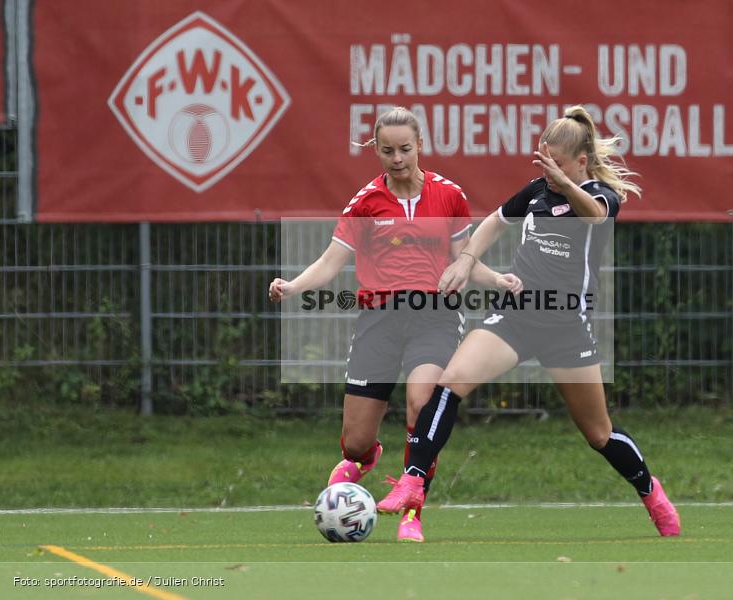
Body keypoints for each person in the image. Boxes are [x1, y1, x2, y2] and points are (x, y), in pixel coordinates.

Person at [377, 105, 681, 537]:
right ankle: (413, 484)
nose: (550, 172)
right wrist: (466, 258)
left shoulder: (600, 196)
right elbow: (494, 223)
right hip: (517, 315)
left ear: (581, 162)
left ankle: (651, 492)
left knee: (599, 434)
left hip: (565, 326)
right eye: (545, 161)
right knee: (448, 385)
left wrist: (563, 183)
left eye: (558, 164)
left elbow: (594, 214)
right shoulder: (538, 190)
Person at [268, 107, 520, 542]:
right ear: (377, 151)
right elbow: (331, 262)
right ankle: (367, 459)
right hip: (379, 320)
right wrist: (292, 287)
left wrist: (497, 279)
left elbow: (465, 259)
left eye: (405, 149)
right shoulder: (365, 202)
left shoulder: (448, 195)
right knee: (354, 442)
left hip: (435, 317)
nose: (398, 158)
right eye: (387, 151)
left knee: (422, 401)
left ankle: (411, 508)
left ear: (420, 145)